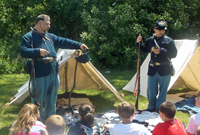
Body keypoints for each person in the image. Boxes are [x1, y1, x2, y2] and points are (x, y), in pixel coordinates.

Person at [19, 14, 89, 121]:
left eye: (49, 23)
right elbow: (23, 51)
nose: (48, 26)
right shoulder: (29, 37)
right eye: (46, 23)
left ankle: (50, 120)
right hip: (39, 73)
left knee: (52, 98)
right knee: (38, 99)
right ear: (39, 23)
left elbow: (64, 41)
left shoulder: (50, 36)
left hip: (53, 71)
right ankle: (36, 121)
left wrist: (79, 45)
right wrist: (38, 51)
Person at [136, 19, 177, 113]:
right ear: (155, 29)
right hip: (153, 69)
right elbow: (143, 51)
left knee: (163, 91)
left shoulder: (169, 41)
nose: (162, 31)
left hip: (165, 68)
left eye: (163, 30)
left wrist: (161, 51)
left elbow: (174, 54)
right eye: (159, 29)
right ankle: (151, 107)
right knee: (151, 90)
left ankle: (159, 108)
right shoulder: (150, 40)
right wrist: (139, 43)